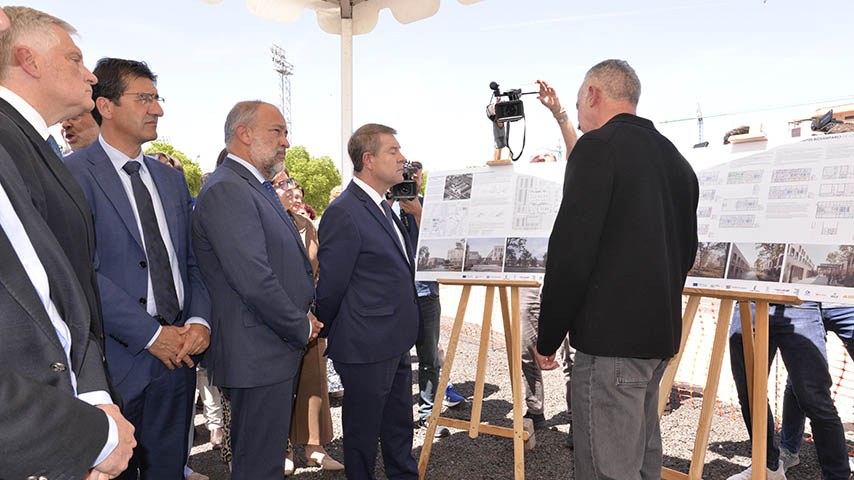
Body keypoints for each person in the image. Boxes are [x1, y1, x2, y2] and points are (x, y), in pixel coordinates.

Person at [534, 59, 699, 479]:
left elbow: (571, 253)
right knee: (642, 461)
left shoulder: (598, 148)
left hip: (611, 344)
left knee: (606, 468)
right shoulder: (676, 160)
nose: (579, 118)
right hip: (657, 338)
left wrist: (548, 335)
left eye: (578, 105)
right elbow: (685, 252)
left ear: (593, 95)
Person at [65, 57, 211, 480]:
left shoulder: (170, 179)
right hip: (116, 363)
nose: (157, 109)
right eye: (144, 98)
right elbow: (80, 272)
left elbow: (191, 260)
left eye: (157, 98)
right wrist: (151, 335)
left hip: (179, 359)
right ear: (106, 106)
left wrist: (199, 321)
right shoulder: (72, 175)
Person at [193, 100, 320, 479]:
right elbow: (253, 278)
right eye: (277, 132)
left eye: (285, 133)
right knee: (258, 466)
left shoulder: (251, 185)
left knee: (264, 462)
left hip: (267, 347)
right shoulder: (228, 188)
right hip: (257, 351)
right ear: (244, 133)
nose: (286, 142)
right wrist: (300, 325)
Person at [0, 5, 117, 403]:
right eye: (74, 59)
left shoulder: (28, 142)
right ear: (28, 60)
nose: (91, 75)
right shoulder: (7, 142)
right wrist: (89, 408)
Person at [316, 123, 420, 480]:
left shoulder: (384, 207)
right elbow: (331, 285)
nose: (402, 158)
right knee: (362, 437)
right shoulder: (344, 211)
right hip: (364, 345)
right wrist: (323, 327)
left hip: (395, 340)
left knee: (399, 428)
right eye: (393, 151)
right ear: (368, 160)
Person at [271, 169, 344, 475]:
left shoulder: (306, 225)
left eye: (290, 181)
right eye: (281, 184)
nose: (290, 188)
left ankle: (315, 447)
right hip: (275, 319)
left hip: (310, 318)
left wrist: (315, 310)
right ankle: (282, 448)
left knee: (314, 384)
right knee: (279, 387)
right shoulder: (261, 223)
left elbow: (320, 270)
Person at [517, 79, 579, 443]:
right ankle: (534, 411)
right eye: (536, 162)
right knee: (528, 349)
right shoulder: (523, 195)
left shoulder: (570, 184)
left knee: (575, 354)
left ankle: (577, 418)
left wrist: (559, 114)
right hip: (529, 279)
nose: (542, 167)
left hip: (566, 278)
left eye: (548, 162)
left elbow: (576, 153)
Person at [728, 302, 850, 479]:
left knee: (815, 399)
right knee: (750, 394)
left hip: (800, 304)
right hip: (750, 302)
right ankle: (767, 466)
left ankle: (836, 476)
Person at [392, 160, 465, 439]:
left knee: (429, 359)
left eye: (416, 176)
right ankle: (397, 418)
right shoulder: (384, 204)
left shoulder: (430, 206)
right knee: (395, 361)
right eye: (406, 175)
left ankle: (428, 415)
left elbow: (441, 247)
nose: (410, 180)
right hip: (395, 294)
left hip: (425, 291)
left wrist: (419, 213)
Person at [778, 304, 854, 475]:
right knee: (799, 380)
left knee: (804, 384)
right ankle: (788, 450)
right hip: (803, 302)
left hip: (846, 301)